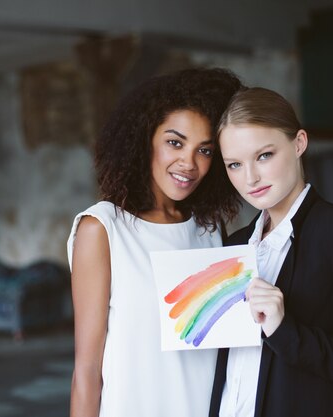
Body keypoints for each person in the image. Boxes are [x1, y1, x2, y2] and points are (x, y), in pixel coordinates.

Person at [208, 87, 333, 417]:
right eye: (234, 164)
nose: (250, 177)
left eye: (264, 155)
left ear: (299, 143)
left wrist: (285, 330)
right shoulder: (233, 247)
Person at [67, 68, 242, 417]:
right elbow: (86, 372)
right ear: (145, 139)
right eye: (175, 142)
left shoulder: (209, 230)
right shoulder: (102, 229)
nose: (188, 164)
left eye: (204, 150)